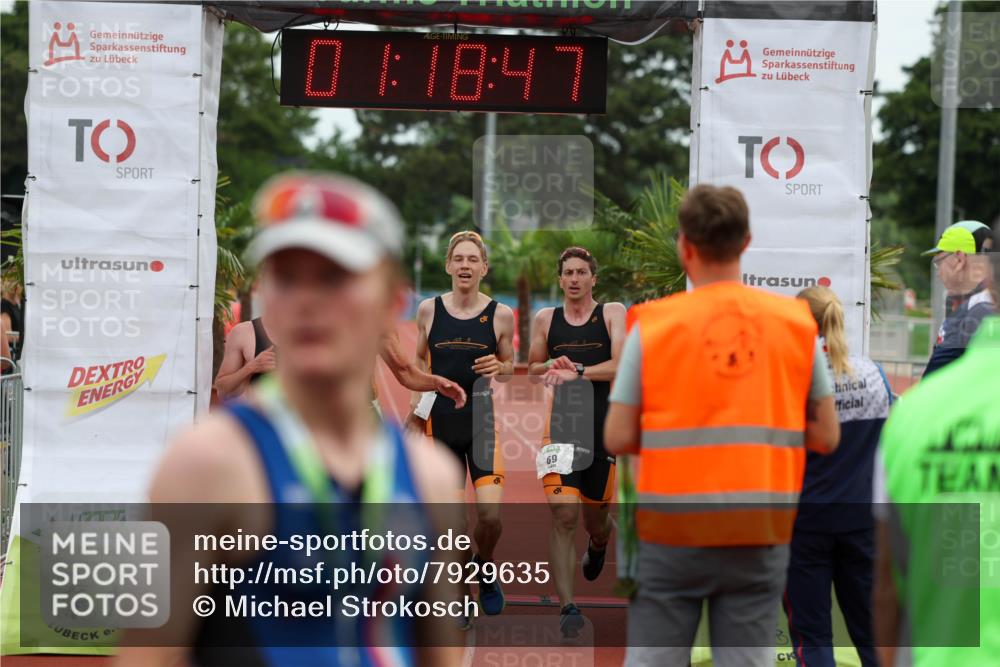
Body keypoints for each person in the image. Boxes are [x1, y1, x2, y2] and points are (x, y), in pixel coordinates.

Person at [115, 172, 465, 667]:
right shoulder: (208, 464)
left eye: (333, 277)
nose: (306, 298)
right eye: (286, 276)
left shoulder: (429, 477)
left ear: (392, 302)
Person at [604, 184, 841, 667]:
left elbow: (617, 436)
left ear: (684, 245)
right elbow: (826, 435)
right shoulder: (794, 324)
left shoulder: (651, 324)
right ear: (747, 241)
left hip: (669, 531)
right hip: (758, 528)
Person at [873, 223, 999, 667]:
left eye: (941, 259)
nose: (939, 269)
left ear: (961, 259)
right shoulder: (966, 314)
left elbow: (887, 584)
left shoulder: (972, 321)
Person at [782, 286, 891, 667]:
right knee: (871, 631)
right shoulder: (875, 374)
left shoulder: (790, 382)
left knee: (812, 636)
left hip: (805, 524)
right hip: (862, 520)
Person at [413, 230, 516, 625]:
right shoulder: (428, 310)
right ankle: (460, 597)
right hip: (440, 425)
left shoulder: (501, 315)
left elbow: (508, 369)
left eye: (473, 259)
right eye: (459, 259)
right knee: (452, 527)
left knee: (490, 518)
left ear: (484, 268)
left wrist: (501, 367)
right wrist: (417, 410)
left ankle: (484, 564)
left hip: (482, 422)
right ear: (448, 265)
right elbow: (418, 366)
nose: (466, 266)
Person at [526, 246, 626, 637]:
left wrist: (579, 370)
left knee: (595, 520)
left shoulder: (612, 313)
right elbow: (533, 366)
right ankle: (568, 606)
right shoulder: (545, 319)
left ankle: (599, 543)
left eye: (581, 272)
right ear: (560, 278)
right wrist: (550, 366)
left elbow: (620, 365)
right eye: (567, 272)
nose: (574, 279)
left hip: (603, 430)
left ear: (593, 278)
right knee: (563, 516)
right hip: (561, 431)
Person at [922, 220, 995, 377]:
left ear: (959, 259)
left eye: (939, 262)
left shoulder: (981, 309)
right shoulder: (977, 305)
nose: (938, 272)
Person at [214, 313, 277, 399]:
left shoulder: (301, 333)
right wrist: (252, 367)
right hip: (258, 409)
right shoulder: (244, 332)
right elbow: (222, 388)